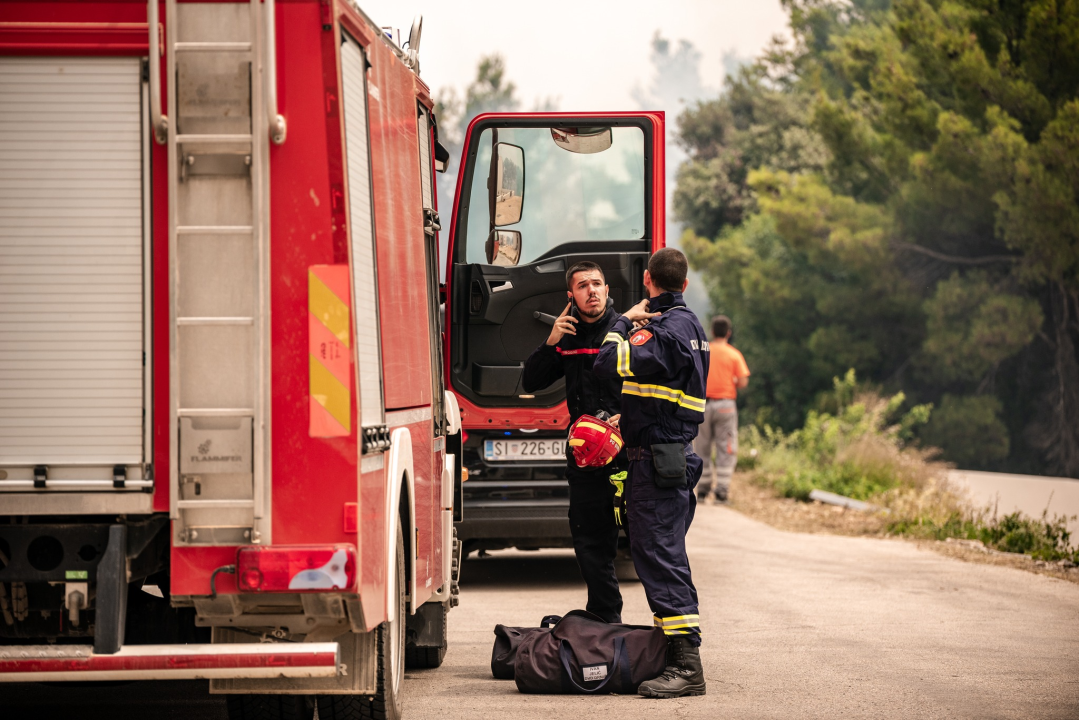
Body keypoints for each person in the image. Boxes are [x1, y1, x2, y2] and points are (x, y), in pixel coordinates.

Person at [594, 247, 710, 699]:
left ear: (648, 279)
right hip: (671, 455)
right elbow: (668, 391)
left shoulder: (661, 330)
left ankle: (686, 666)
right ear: (685, 282)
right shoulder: (693, 327)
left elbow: (606, 363)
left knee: (662, 559)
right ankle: (672, 656)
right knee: (662, 556)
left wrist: (622, 321)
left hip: (656, 462)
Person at [521, 261, 626, 623]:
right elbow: (531, 382)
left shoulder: (625, 331)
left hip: (628, 458)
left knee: (646, 544)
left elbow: (653, 384)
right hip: (586, 461)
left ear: (607, 290)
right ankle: (605, 621)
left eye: (597, 284)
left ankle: (667, 630)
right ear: (571, 296)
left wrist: (629, 416)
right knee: (588, 541)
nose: (591, 291)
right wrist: (550, 342)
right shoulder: (565, 337)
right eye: (583, 286)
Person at [695, 315, 750, 504]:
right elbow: (743, 381)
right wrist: (732, 380)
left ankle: (702, 491)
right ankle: (721, 493)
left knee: (702, 447)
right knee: (726, 447)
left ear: (711, 332)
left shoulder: (704, 351)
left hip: (702, 405)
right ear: (728, 333)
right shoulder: (734, 354)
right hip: (725, 406)